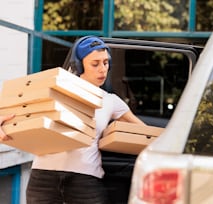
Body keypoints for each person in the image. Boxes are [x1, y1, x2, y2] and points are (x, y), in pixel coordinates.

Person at [26, 36, 145, 204]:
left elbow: (144, 132)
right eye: (95, 64)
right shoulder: (56, 91)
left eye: (106, 62)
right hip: (43, 178)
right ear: (80, 65)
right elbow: (22, 114)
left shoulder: (110, 101)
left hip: (85, 180)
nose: (102, 69)